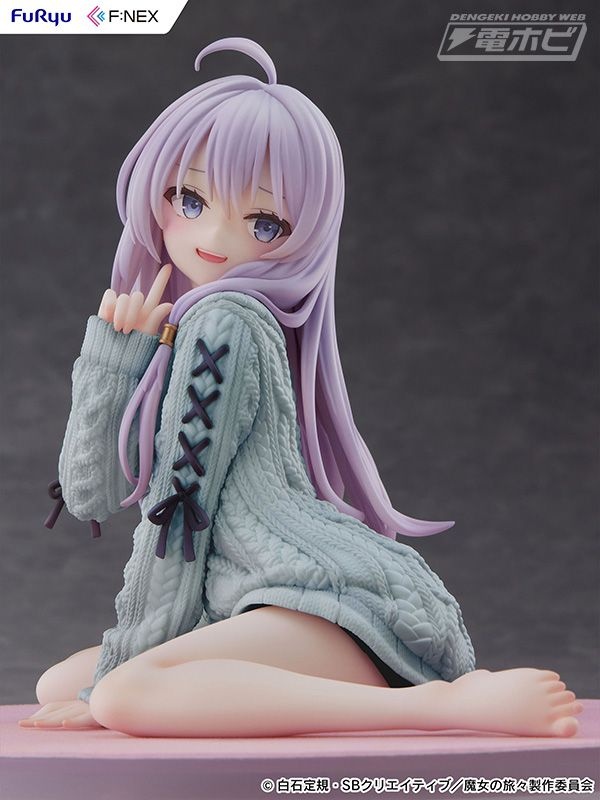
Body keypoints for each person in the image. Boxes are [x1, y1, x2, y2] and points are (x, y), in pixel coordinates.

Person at [19, 38, 582, 738]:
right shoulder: (186, 327)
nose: (215, 236)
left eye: (263, 222)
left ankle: (440, 705)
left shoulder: (223, 322)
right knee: (61, 683)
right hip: (253, 594)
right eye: (189, 199)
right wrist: (113, 357)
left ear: (302, 232)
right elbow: (90, 496)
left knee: (121, 696)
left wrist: (117, 678)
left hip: (327, 602)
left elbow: (178, 516)